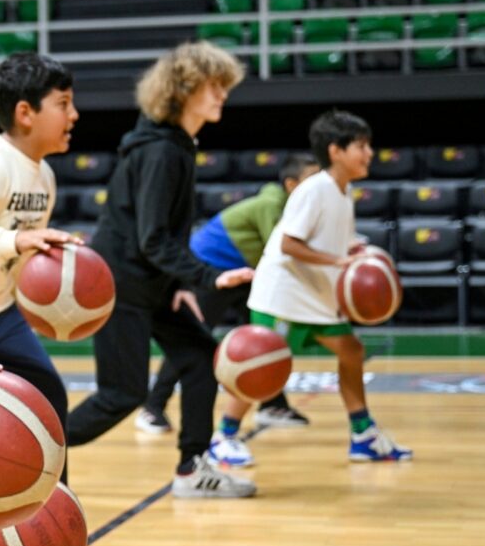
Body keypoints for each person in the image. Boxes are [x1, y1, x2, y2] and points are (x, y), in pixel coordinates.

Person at [0, 52, 114, 546]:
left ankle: (49, 537)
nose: (75, 116)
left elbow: (20, 255)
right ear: (24, 112)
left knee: (48, 401)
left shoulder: (41, 172)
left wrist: (61, 290)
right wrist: (15, 246)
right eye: (64, 104)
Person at [64, 41, 258, 499]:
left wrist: (176, 284)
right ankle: (33, 450)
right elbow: (152, 238)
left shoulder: (176, 145)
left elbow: (156, 235)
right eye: (213, 86)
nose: (222, 95)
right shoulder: (161, 152)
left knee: (199, 359)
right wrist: (207, 277)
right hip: (122, 285)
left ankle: (193, 468)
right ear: (184, 91)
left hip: (149, 282)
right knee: (121, 395)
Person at [246, 109, 413, 462]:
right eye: (362, 146)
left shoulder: (342, 190)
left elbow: (337, 240)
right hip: (284, 295)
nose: (369, 154)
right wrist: (338, 262)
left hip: (314, 295)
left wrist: (358, 250)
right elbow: (289, 243)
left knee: (351, 351)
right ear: (336, 151)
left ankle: (362, 434)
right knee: (259, 367)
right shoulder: (315, 189)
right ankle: (223, 438)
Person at [136, 154, 321, 462]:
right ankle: (153, 407)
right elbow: (280, 253)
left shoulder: (291, 207)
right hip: (209, 271)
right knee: (191, 338)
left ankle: (273, 404)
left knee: (264, 336)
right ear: (292, 185)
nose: (319, 189)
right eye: (312, 181)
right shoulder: (272, 207)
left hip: (242, 273)